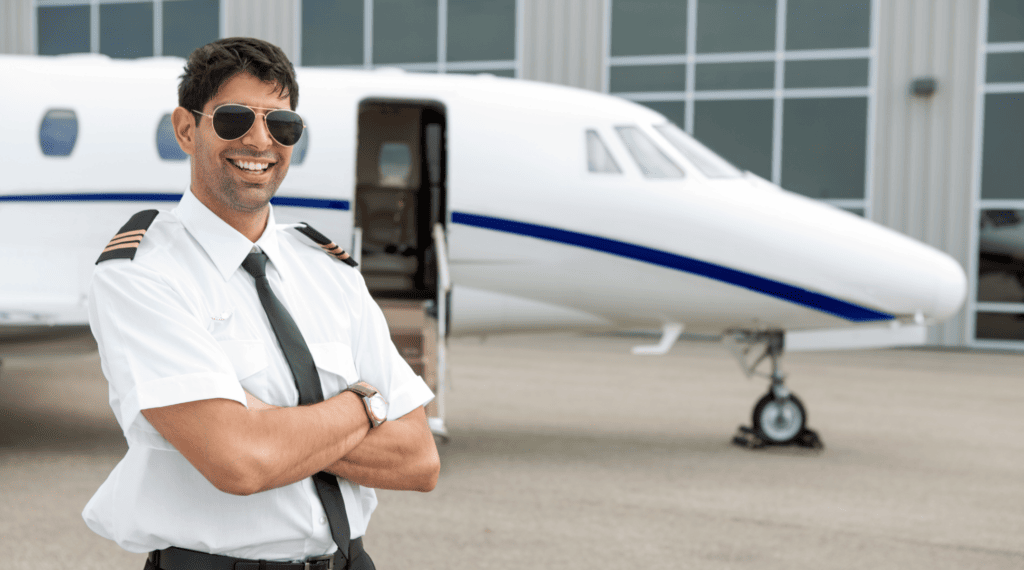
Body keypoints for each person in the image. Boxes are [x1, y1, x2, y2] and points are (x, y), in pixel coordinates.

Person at [83, 37, 440, 570]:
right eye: (233, 119)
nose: (259, 140)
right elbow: (240, 462)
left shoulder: (329, 270)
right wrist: (364, 404)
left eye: (281, 124)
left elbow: (418, 459)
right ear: (186, 129)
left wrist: (269, 424)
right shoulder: (142, 274)